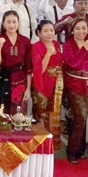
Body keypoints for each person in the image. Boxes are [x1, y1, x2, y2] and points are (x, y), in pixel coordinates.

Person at [62, 17, 88, 164]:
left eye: (84, 28)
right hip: (73, 84)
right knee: (80, 117)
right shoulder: (68, 44)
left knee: (82, 118)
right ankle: (72, 151)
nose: (81, 31)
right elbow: (72, 63)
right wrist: (84, 49)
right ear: (72, 30)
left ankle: (80, 149)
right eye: (77, 28)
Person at [0, 10, 32, 114]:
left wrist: (28, 88)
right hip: (3, 78)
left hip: (20, 80)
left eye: (14, 22)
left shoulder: (25, 41)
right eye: (8, 22)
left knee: (18, 112)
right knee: (2, 113)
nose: (12, 25)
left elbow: (28, 66)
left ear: (18, 23)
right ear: (3, 24)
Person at [31, 20, 63, 148]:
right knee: (41, 112)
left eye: (51, 30)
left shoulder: (56, 44)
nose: (49, 33)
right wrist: (48, 54)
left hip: (57, 83)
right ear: (39, 33)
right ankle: (39, 143)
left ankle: (52, 143)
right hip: (42, 82)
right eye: (45, 31)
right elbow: (39, 69)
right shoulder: (36, 46)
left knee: (54, 111)